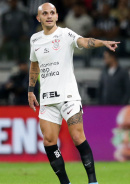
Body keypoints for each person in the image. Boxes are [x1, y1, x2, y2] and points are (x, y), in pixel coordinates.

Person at [28, 3, 120, 184]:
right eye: (44, 13)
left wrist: (103, 42)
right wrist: (31, 90)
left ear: (56, 16)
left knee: (78, 137)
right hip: (47, 99)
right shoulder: (35, 39)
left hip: (68, 96)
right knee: (48, 141)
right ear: (39, 18)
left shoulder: (65, 34)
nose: (49, 16)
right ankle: (65, 183)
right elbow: (34, 65)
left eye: (52, 13)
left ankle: (92, 181)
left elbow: (84, 42)